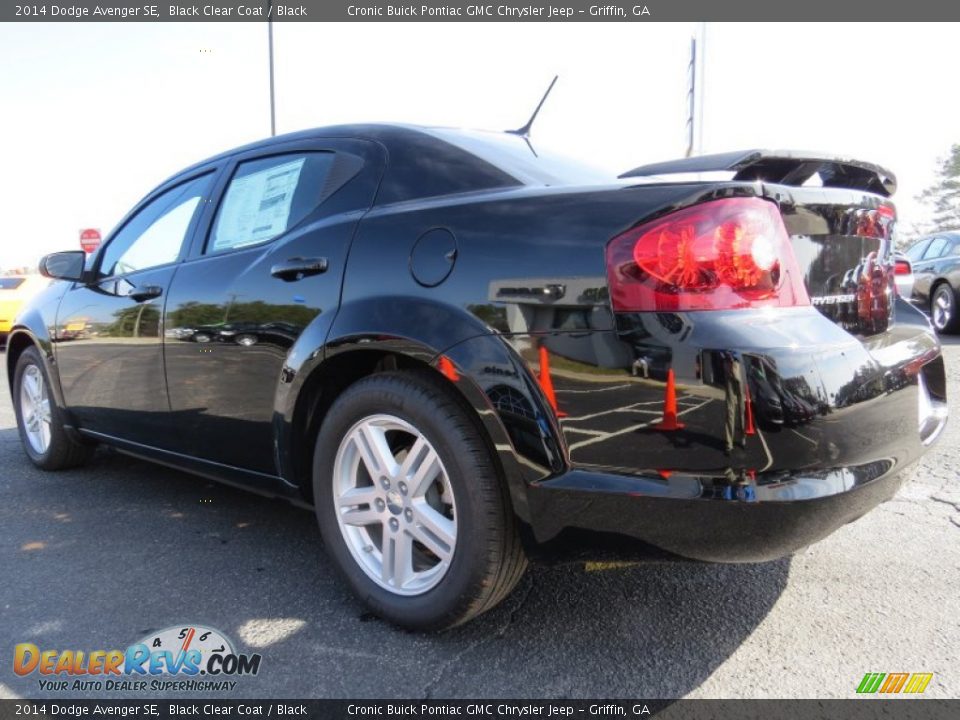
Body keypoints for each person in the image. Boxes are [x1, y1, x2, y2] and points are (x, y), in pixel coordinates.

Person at [723, 351, 746, 454]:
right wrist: (726, 356)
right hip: (728, 364)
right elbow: (718, 347)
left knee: (742, 408)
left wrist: (734, 357)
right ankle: (729, 444)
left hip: (737, 364)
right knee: (730, 408)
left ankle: (743, 437)